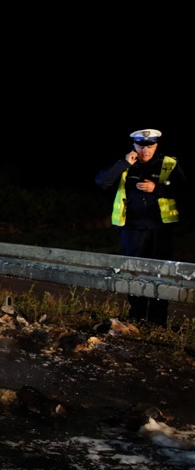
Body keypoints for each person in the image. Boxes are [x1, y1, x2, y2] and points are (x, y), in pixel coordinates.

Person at [95, 128, 187, 326]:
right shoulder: (126, 164)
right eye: (141, 146)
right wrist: (124, 163)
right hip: (132, 230)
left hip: (159, 230)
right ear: (134, 145)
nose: (145, 151)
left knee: (160, 274)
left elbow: (184, 191)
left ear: (156, 146)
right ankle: (137, 317)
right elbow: (102, 182)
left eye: (150, 146)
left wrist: (158, 189)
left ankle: (157, 321)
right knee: (134, 274)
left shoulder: (169, 164)